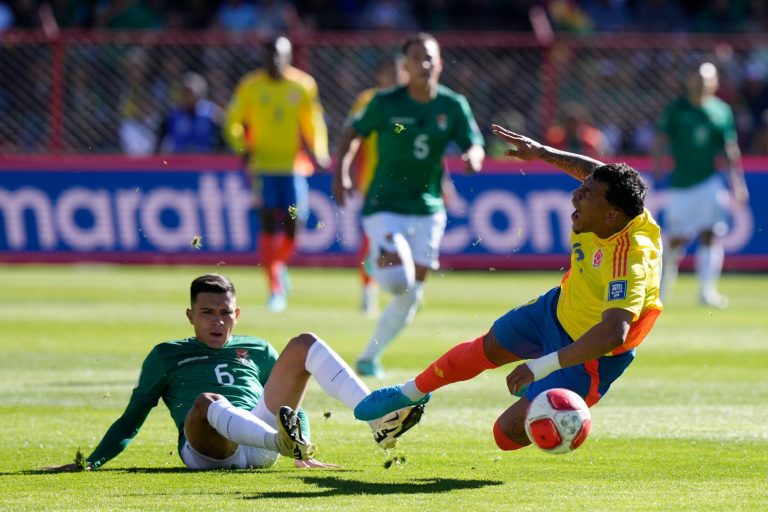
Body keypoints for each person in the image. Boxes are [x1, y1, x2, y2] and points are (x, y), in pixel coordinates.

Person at [354, 125, 663, 454]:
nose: (576, 195)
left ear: (612, 216)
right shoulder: (610, 206)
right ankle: (408, 396)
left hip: (591, 357)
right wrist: (542, 152)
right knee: (484, 348)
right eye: (582, 188)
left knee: (506, 436)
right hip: (555, 310)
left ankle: (569, 414)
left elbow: (613, 333)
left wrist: (541, 366)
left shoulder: (630, 258)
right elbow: (595, 172)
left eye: (586, 194)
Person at [44, 273, 424, 472]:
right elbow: (132, 418)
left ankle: (376, 417)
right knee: (208, 401)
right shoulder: (165, 355)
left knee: (304, 343)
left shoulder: (256, 347)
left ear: (236, 314)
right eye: (207, 313)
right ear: (191, 316)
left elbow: (291, 408)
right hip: (210, 450)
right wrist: (91, 461)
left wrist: (301, 448)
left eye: (225, 312)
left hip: (262, 440)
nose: (218, 321)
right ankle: (281, 443)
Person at [332, 33, 485, 378]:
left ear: (440, 63)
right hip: (384, 205)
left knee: (411, 293)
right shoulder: (385, 103)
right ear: (406, 66)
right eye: (416, 58)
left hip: (429, 208)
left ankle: (370, 356)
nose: (424, 64)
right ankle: (377, 260)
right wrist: (340, 173)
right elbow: (351, 133)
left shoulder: (451, 105)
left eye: (430, 58)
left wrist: (472, 155)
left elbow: (473, 140)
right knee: (397, 277)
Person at [224, 35, 331, 313]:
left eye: (280, 55)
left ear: (289, 57)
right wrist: (241, 146)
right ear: (262, 57)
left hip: (294, 167)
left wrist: (319, 150)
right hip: (264, 169)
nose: (274, 61)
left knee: (296, 223)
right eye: (270, 55)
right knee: (270, 224)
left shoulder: (303, 85)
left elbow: (314, 122)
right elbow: (233, 120)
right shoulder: (250, 86)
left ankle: (278, 264)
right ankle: (274, 287)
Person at [652, 61, 749, 308]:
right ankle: (660, 292)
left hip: (709, 181)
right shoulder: (677, 109)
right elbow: (662, 138)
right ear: (688, 81)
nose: (701, 83)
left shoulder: (721, 111)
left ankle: (707, 291)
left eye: (706, 78)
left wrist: (737, 181)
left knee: (711, 233)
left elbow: (729, 147)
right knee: (675, 239)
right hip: (682, 183)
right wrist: (658, 164)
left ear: (715, 83)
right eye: (697, 77)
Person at [343, 54, 409, 317]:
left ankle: (406, 293)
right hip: (376, 184)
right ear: (380, 76)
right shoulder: (368, 101)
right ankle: (368, 291)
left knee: (408, 242)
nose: (394, 77)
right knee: (373, 242)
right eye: (389, 71)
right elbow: (354, 135)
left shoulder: (415, 102)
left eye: (399, 71)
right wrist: (346, 169)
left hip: (409, 185)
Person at [155, 71, 224, 154]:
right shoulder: (172, 116)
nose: (187, 97)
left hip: (205, 163)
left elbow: (223, 141)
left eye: (190, 94)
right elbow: (159, 144)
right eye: (184, 93)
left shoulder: (212, 113)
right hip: (179, 162)